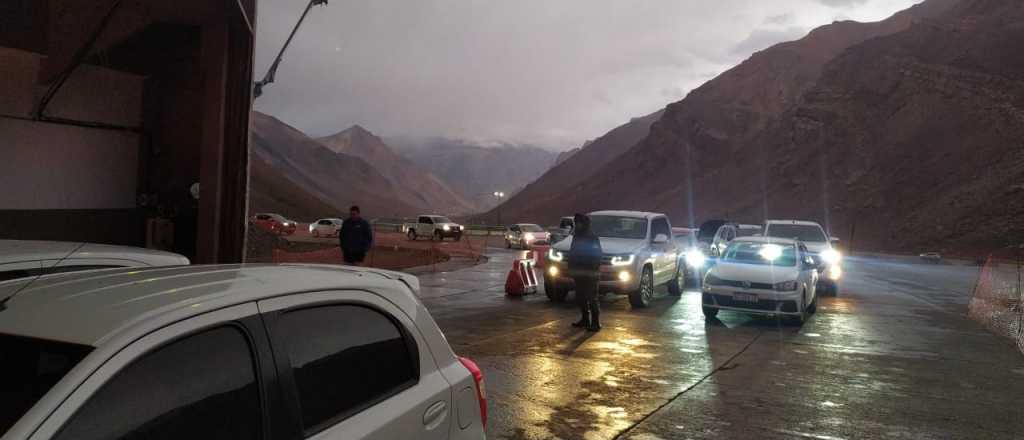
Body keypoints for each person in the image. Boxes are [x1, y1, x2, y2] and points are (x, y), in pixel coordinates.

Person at [567, 213, 603, 332]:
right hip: (579, 273)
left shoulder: (591, 237)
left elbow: (597, 256)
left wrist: (590, 269)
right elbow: (572, 253)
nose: (577, 225)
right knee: (580, 297)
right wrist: (571, 268)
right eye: (576, 223)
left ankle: (596, 322)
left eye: (579, 223)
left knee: (592, 298)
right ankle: (585, 319)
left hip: (590, 273)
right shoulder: (577, 236)